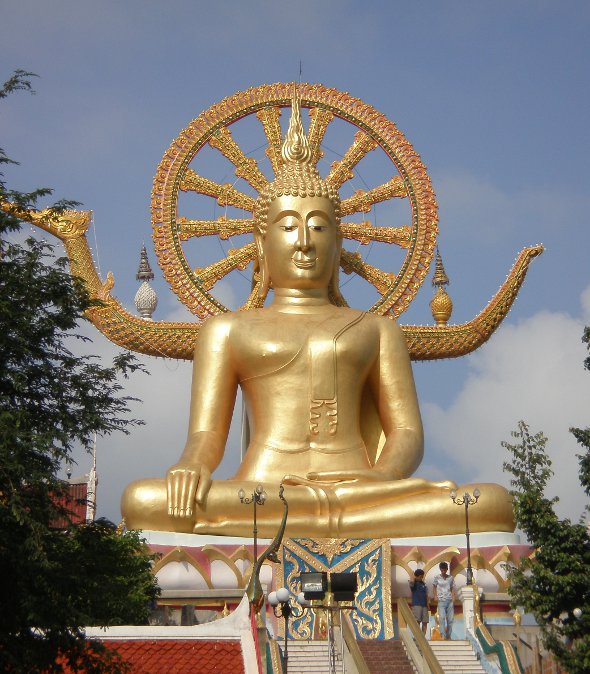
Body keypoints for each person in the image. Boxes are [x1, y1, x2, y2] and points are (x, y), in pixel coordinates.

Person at [121, 90, 515, 539]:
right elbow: (205, 439)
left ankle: (330, 521)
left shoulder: (377, 329)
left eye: (319, 226)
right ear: (260, 243)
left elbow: (407, 433)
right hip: (260, 492)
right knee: (143, 500)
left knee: (490, 503)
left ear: (339, 243)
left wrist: (382, 478)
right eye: (288, 226)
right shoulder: (227, 330)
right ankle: (336, 524)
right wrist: (189, 468)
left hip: (361, 490)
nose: (304, 241)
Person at [432, 562, 455, 640]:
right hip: (441, 600)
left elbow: (452, 588)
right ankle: (443, 635)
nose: (443, 572)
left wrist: (453, 596)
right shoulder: (437, 578)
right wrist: (435, 595)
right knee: (441, 617)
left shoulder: (451, 578)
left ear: (447, 569)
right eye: (442, 570)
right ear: (440, 570)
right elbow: (434, 587)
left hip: (449, 600)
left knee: (450, 619)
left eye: (444, 570)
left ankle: (448, 635)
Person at [409, 569, 430, 634]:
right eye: (420, 577)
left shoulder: (424, 584)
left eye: (422, 577)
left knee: (425, 621)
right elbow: (411, 584)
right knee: (417, 621)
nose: (421, 578)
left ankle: (423, 637)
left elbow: (426, 594)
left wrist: (428, 604)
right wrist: (413, 577)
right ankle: (417, 636)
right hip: (417, 604)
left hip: (424, 605)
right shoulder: (413, 583)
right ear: (416, 576)